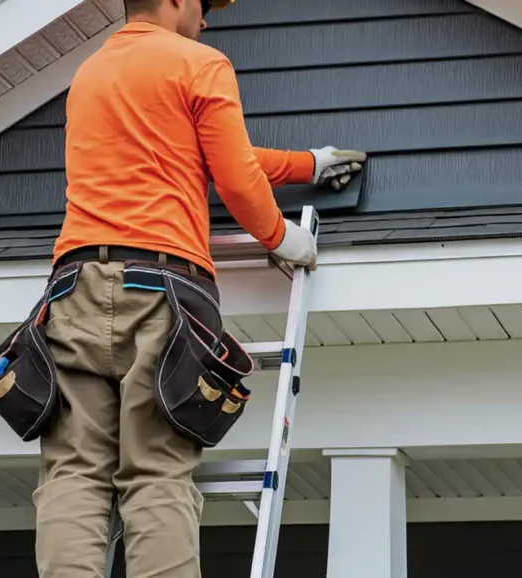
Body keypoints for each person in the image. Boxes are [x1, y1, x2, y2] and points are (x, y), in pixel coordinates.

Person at [30, 0, 367, 576]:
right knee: (156, 470)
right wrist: (281, 237)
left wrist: (305, 164)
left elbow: (207, 151)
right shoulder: (199, 63)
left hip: (73, 288)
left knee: (74, 472)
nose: (206, 19)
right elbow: (233, 175)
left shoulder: (90, 73)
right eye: (204, 5)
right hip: (161, 289)